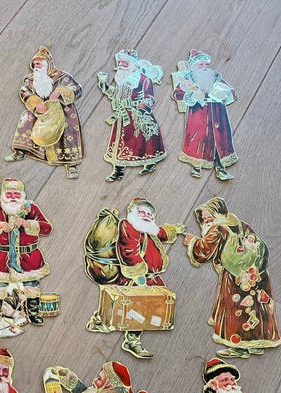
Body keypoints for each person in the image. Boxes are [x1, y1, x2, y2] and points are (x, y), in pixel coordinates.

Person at [184, 197, 280, 358]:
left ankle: (238, 347)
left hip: (235, 278)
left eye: (209, 217)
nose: (207, 221)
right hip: (256, 274)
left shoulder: (217, 229)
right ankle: (257, 343)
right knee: (257, 308)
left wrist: (192, 242)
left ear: (217, 214)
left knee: (236, 310)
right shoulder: (241, 224)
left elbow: (203, 252)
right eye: (204, 218)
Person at [0, 178, 52, 326]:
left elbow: (47, 228)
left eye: (16, 194)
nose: (12, 198)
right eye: (9, 194)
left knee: (32, 285)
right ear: (3, 194)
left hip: (28, 256)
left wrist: (28, 224)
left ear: (22, 195)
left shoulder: (31, 209)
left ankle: (33, 313)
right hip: (0, 256)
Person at [116, 197, 184, 357]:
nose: (147, 215)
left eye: (149, 213)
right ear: (133, 212)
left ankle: (141, 330)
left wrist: (173, 230)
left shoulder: (145, 227)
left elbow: (160, 233)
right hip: (138, 278)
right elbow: (129, 251)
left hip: (152, 278)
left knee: (156, 306)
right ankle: (132, 340)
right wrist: (139, 276)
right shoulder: (129, 226)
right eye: (142, 212)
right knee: (138, 308)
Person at [5, 47, 83, 179]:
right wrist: (35, 102)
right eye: (35, 64)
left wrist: (60, 91)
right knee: (27, 117)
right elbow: (25, 92)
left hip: (60, 110)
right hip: (41, 113)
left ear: (48, 64)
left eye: (39, 64)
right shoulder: (30, 79)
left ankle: (71, 165)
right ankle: (21, 151)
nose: (36, 67)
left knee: (68, 125)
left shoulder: (62, 77)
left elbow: (76, 88)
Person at [97, 49, 166, 182]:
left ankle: (149, 163)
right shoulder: (122, 79)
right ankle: (118, 170)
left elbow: (149, 98)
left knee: (143, 141)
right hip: (122, 116)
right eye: (119, 63)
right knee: (120, 141)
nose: (121, 65)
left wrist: (139, 108)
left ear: (133, 63)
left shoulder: (144, 79)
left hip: (138, 115)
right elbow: (116, 94)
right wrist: (104, 84)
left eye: (124, 62)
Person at [172, 50, 237, 180]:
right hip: (198, 116)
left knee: (219, 140)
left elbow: (232, 92)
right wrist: (192, 95)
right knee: (198, 139)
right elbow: (177, 94)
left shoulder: (216, 78)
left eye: (207, 64)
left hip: (218, 115)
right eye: (201, 65)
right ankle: (197, 166)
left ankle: (220, 167)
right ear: (194, 67)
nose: (205, 67)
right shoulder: (188, 80)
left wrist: (224, 94)